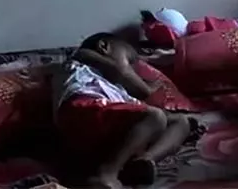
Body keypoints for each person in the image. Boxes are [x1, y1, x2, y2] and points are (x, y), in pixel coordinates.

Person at [52, 33, 192, 189]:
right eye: (130, 60)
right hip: (83, 109)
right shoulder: (83, 56)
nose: (133, 69)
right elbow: (127, 77)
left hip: (107, 128)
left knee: (180, 121)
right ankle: (107, 173)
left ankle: (144, 160)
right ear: (104, 46)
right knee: (154, 116)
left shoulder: (115, 89)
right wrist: (147, 86)